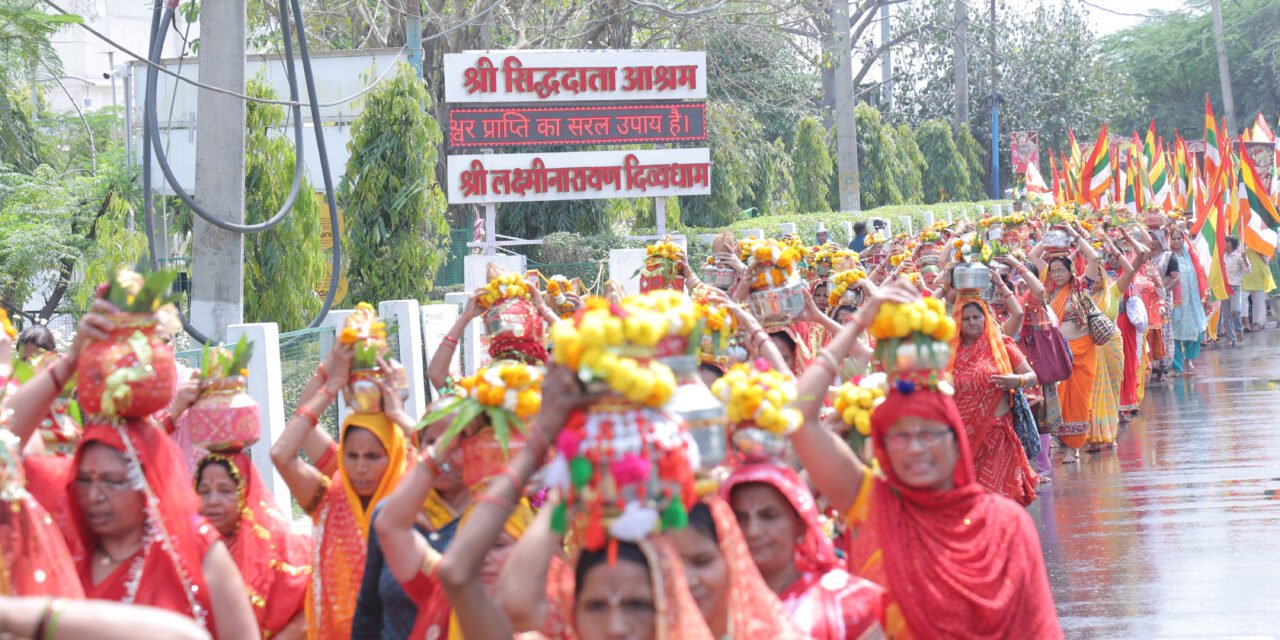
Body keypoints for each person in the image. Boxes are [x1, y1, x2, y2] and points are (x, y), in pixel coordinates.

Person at [787, 283, 1063, 638]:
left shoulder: (1007, 524)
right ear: (882, 447)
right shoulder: (873, 504)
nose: (916, 448)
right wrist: (861, 320)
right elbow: (800, 418)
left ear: (955, 439)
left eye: (929, 434)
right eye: (901, 436)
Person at [271, 344, 411, 640]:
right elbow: (281, 454)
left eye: (373, 456)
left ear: (394, 454)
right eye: (352, 455)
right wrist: (330, 380)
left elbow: (445, 455)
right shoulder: (331, 498)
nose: (360, 467)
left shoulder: (414, 494)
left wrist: (398, 416)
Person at [722, 463, 884, 639]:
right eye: (740, 518)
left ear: (799, 526)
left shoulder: (852, 602)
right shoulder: (714, 607)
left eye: (769, 516)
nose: (753, 531)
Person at [194, 450, 310, 639]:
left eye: (225, 491)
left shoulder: (278, 544)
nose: (213, 501)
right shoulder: (189, 548)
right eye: (204, 492)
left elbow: (312, 609)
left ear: (246, 491)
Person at [948, 290, 1039, 506]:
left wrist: (1016, 380)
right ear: (957, 321)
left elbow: (1032, 377)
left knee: (999, 499)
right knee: (969, 502)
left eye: (976, 317)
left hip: (997, 435)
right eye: (965, 318)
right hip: (962, 438)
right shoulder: (948, 352)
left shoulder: (1001, 344)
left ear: (985, 318)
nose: (972, 322)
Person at [1033, 227, 1103, 464]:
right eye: (1052, 271)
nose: (1056, 274)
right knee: (1055, 400)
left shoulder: (1080, 287)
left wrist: (1073, 233)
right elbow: (1032, 257)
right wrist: (1048, 236)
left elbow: (1094, 257)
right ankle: (1059, 439)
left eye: (1060, 270)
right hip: (1056, 356)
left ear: (1070, 270)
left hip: (1081, 353)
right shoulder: (1048, 292)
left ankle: (1075, 447)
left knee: (1079, 401)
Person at [1165, 227, 1208, 374]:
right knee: (1175, 334)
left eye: (1179, 238)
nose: (1177, 241)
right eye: (1174, 238)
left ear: (1184, 240)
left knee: (1195, 333)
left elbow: (1200, 275)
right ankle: (1177, 366)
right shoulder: (1167, 257)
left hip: (1191, 303)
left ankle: (1188, 359)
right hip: (1175, 302)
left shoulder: (1190, 255)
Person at [1241, 246, 1275, 332]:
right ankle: (1245, 323)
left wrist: (1259, 250)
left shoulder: (1261, 243)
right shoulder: (1242, 242)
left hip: (1259, 274)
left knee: (1258, 301)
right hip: (1245, 274)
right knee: (1243, 300)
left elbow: (1267, 259)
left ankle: (1256, 323)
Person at [1221, 236, 1247, 345]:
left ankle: (1239, 330)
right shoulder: (1222, 256)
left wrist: (1245, 259)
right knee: (1226, 314)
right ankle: (1230, 337)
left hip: (1235, 287)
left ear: (1230, 244)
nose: (1222, 244)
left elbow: (1247, 270)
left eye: (1224, 242)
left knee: (1235, 310)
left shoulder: (1239, 256)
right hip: (1224, 287)